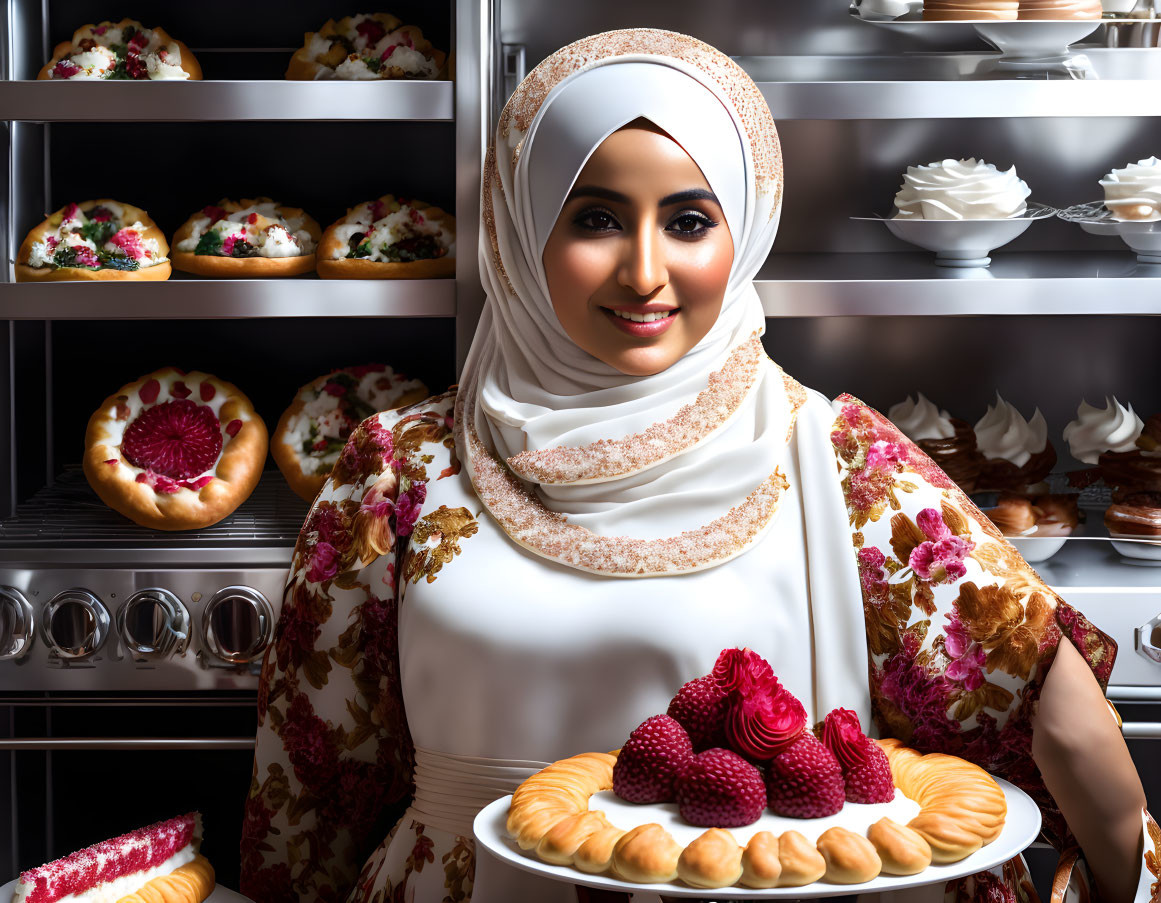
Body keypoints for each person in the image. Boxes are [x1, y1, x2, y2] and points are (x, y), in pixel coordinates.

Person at [239, 28, 1157, 903]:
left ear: (745, 231)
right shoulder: (394, 474)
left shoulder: (840, 462)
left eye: (687, 220)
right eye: (595, 217)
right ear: (517, 232)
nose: (644, 272)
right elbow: (309, 784)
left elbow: (1058, 708)